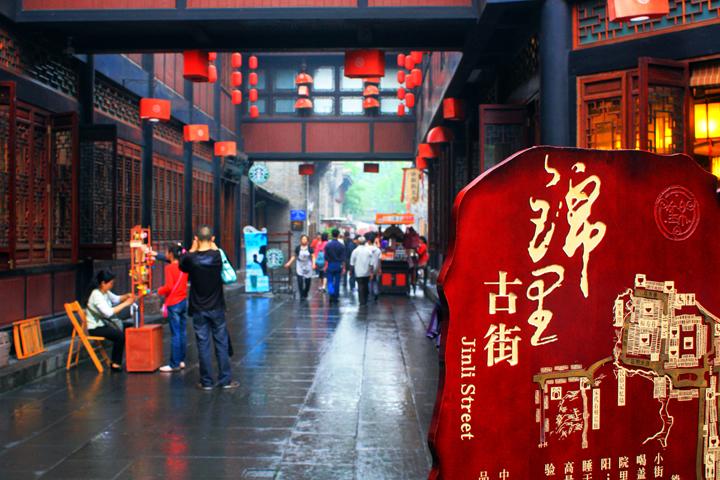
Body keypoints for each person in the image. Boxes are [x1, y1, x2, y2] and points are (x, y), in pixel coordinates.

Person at [179, 225, 238, 391]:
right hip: (217, 306)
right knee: (221, 343)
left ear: (196, 239)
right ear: (212, 239)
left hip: (198, 308)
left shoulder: (191, 259)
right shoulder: (218, 256)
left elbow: (182, 265)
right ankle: (225, 379)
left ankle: (206, 382)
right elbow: (227, 268)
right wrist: (215, 247)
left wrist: (192, 249)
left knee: (203, 344)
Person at [85, 270, 135, 371]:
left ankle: (133, 358)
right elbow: (108, 313)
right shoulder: (96, 294)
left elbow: (116, 299)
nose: (112, 285)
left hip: (104, 323)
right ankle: (115, 363)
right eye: (111, 283)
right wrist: (126, 304)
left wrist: (126, 296)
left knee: (130, 327)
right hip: (96, 327)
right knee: (119, 336)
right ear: (103, 283)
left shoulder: (105, 292)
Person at [157, 243, 189, 373]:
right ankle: (181, 360)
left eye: (166, 252)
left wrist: (159, 290)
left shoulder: (170, 268)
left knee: (175, 333)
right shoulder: (184, 266)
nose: (165, 254)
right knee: (182, 332)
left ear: (171, 254)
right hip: (183, 301)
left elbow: (169, 287)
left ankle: (174, 363)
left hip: (173, 302)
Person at [284, 234, 314, 300]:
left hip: (307, 264)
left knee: (308, 281)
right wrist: (289, 263)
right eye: (303, 239)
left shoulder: (310, 248)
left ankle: (306, 291)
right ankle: (301, 295)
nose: (304, 240)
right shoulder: (298, 248)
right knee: (300, 281)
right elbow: (294, 256)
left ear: (307, 241)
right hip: (300, 264)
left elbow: (313, 256)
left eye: (305, 239)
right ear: (300, 240)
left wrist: (314, 264)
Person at [350, 236, 378, 306]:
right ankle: (365, 299)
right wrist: (371, 272)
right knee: (365, 285)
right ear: (365, 242)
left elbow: (352, 263)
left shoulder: (355, 251)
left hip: (358, 272)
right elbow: (371, 263)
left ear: (358, 242)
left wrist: (351, 272)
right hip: (367, 272)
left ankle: (361, 301)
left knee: (360, 286)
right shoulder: (368, 251)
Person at [323, 229, 346, 303]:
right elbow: (343, 258)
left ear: (331, 235)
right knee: (337, 281)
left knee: (330, 280)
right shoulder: (341, 246)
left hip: (330, 264)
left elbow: (325, 257)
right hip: (338, 265)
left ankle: (331, 293)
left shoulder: (328, 245)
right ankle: (336, 296)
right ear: (338, 235)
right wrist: (343, 267)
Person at [365, 232, 383, 301]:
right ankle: (376, 292)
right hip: (376, 267)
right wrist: (380, 269)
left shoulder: (366, 249)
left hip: (368, 267)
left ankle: (370, 294)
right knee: (375, 280)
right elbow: (379, 260)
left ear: (368, 241)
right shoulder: (378, 250)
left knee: (369, 281)